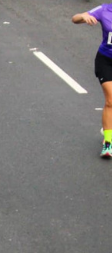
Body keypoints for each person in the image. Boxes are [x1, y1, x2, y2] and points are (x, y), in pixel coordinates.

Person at [72, 5, 112, 158]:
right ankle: (108, 143)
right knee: (111, 100)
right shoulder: (105, 9)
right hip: (106, 61)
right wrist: (83, 17)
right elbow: (75, 18)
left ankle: (109, 127)